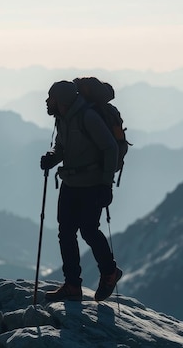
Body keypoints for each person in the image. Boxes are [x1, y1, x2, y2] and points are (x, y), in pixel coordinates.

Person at [40, 80, 123, 302]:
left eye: (52, 98)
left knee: (88, 230)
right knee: (66, 233)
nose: (47, 102)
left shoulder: (88, 117)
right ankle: (72, 285)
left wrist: (106, 184)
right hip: (71, 183)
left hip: (92, 184)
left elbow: (110, 147)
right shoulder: (63, 119)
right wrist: (53, 158)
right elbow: (62, 148)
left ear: (62, 101)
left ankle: (109, 272)